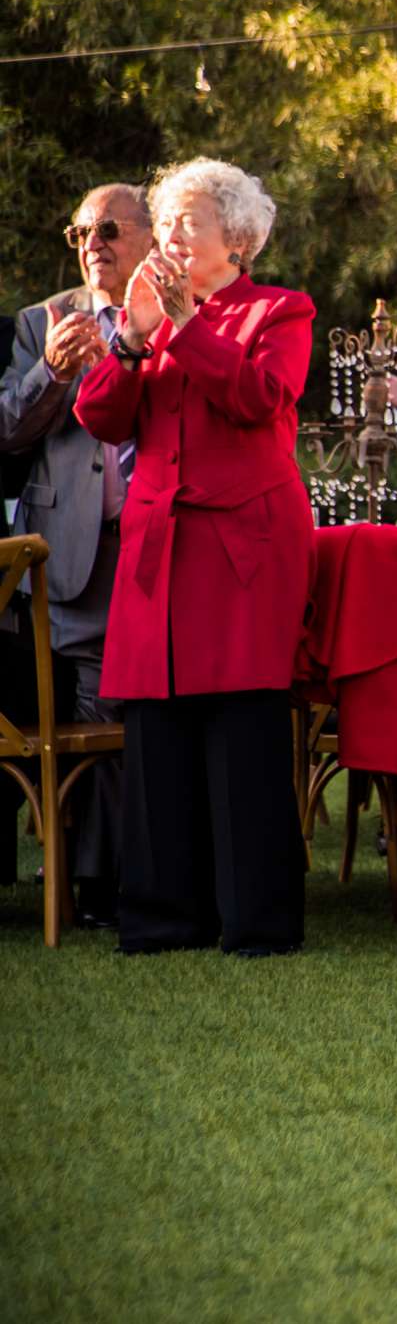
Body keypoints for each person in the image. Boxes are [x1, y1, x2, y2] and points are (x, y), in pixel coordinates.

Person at [73, 159, 314, 957]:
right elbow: (101, 417)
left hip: (242, 544)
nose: (171, 236)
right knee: (158, 738)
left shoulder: (281, 310)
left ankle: (256, 921)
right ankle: (163, 917)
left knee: (243, 729)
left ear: (236, 241)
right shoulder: (143, 313)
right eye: (168, 221)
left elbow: (257, 400)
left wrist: (186, 325)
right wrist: (135, 341)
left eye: (190, 223)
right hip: (158, 546)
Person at [0, 183, 154, 927]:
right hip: (73, 547)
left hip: (158, 539)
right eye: (82, 231)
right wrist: (53, 374)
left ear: (151, 239)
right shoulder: (41, 322)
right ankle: (95, 883)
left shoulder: (169, 314)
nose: (95, 242)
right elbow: (8, 431)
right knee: (94, 709)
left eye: (112, 229)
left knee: (141, 713)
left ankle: (151, 869)